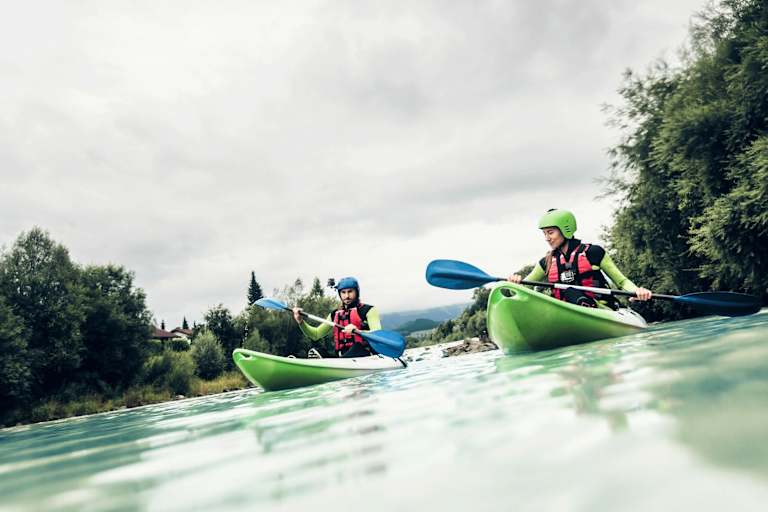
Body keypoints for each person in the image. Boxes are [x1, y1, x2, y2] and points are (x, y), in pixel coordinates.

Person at [508, 209, 652, 308]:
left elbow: (621, 281)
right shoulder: (546, 261)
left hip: (601, 309)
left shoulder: (594, 252)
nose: (547, 238)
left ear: (565, 229)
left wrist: (637, 291)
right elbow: (521, 289)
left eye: (550, 233)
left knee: (571, 291)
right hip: (565, 310)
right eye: (544, 234)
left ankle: (585, 306)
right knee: (558, 296)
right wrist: (515, 284)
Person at [292, 276, 382, 358]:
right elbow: (315, 334)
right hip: (342, 357)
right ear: (340, 294)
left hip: (365, 356)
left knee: (357, 347)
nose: (347, 296)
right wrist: (301, 322)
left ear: (356, 292)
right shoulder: (335, 314)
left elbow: (378, 336)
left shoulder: (368, 310)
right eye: (343, 292)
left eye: (350, 291)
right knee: (317, 350)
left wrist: (358, 331)